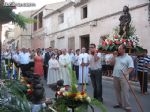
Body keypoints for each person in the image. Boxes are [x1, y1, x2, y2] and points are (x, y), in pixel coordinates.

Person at [111, 45, 134, 112]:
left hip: (123, 77)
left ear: (124, 50)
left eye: (120, 49)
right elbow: (111, 63)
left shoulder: (128, 57)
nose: (118, 50)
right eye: (118, 49)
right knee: (117, 91)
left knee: (125, 92)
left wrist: (126, 73)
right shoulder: (117, 56)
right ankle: (119, 103)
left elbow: (131, 67)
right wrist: (114, 56)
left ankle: (127, 106)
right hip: (115, 76)